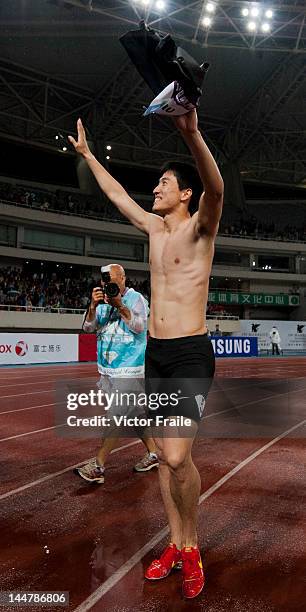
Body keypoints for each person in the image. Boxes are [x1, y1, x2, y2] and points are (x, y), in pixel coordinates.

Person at [69, 109, 223, 598]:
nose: (154, 189)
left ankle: (192, 545)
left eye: (162, 183)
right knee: (164, 462)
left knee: (177, 454)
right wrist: (90, 156)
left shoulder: (200, 227)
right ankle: (175, 543)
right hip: (155, 355)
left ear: (184, 194)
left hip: (189, 355)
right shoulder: (155, 231)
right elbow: (117, 195)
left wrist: (192, 134)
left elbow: (217, 190)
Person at [76, 263, 158, 484]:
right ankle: (153, 454)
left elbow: (140, 326)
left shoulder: (136, 298)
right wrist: (92, 306)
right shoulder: (102, 302)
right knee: (136, 415)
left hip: (130, 367)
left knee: (116, 414)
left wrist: (120, 305)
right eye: (104, 281)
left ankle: (98, 466)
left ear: (123, 278)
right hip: (108, 370)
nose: (107, 284)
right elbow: (87, 328)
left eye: (111, 280)